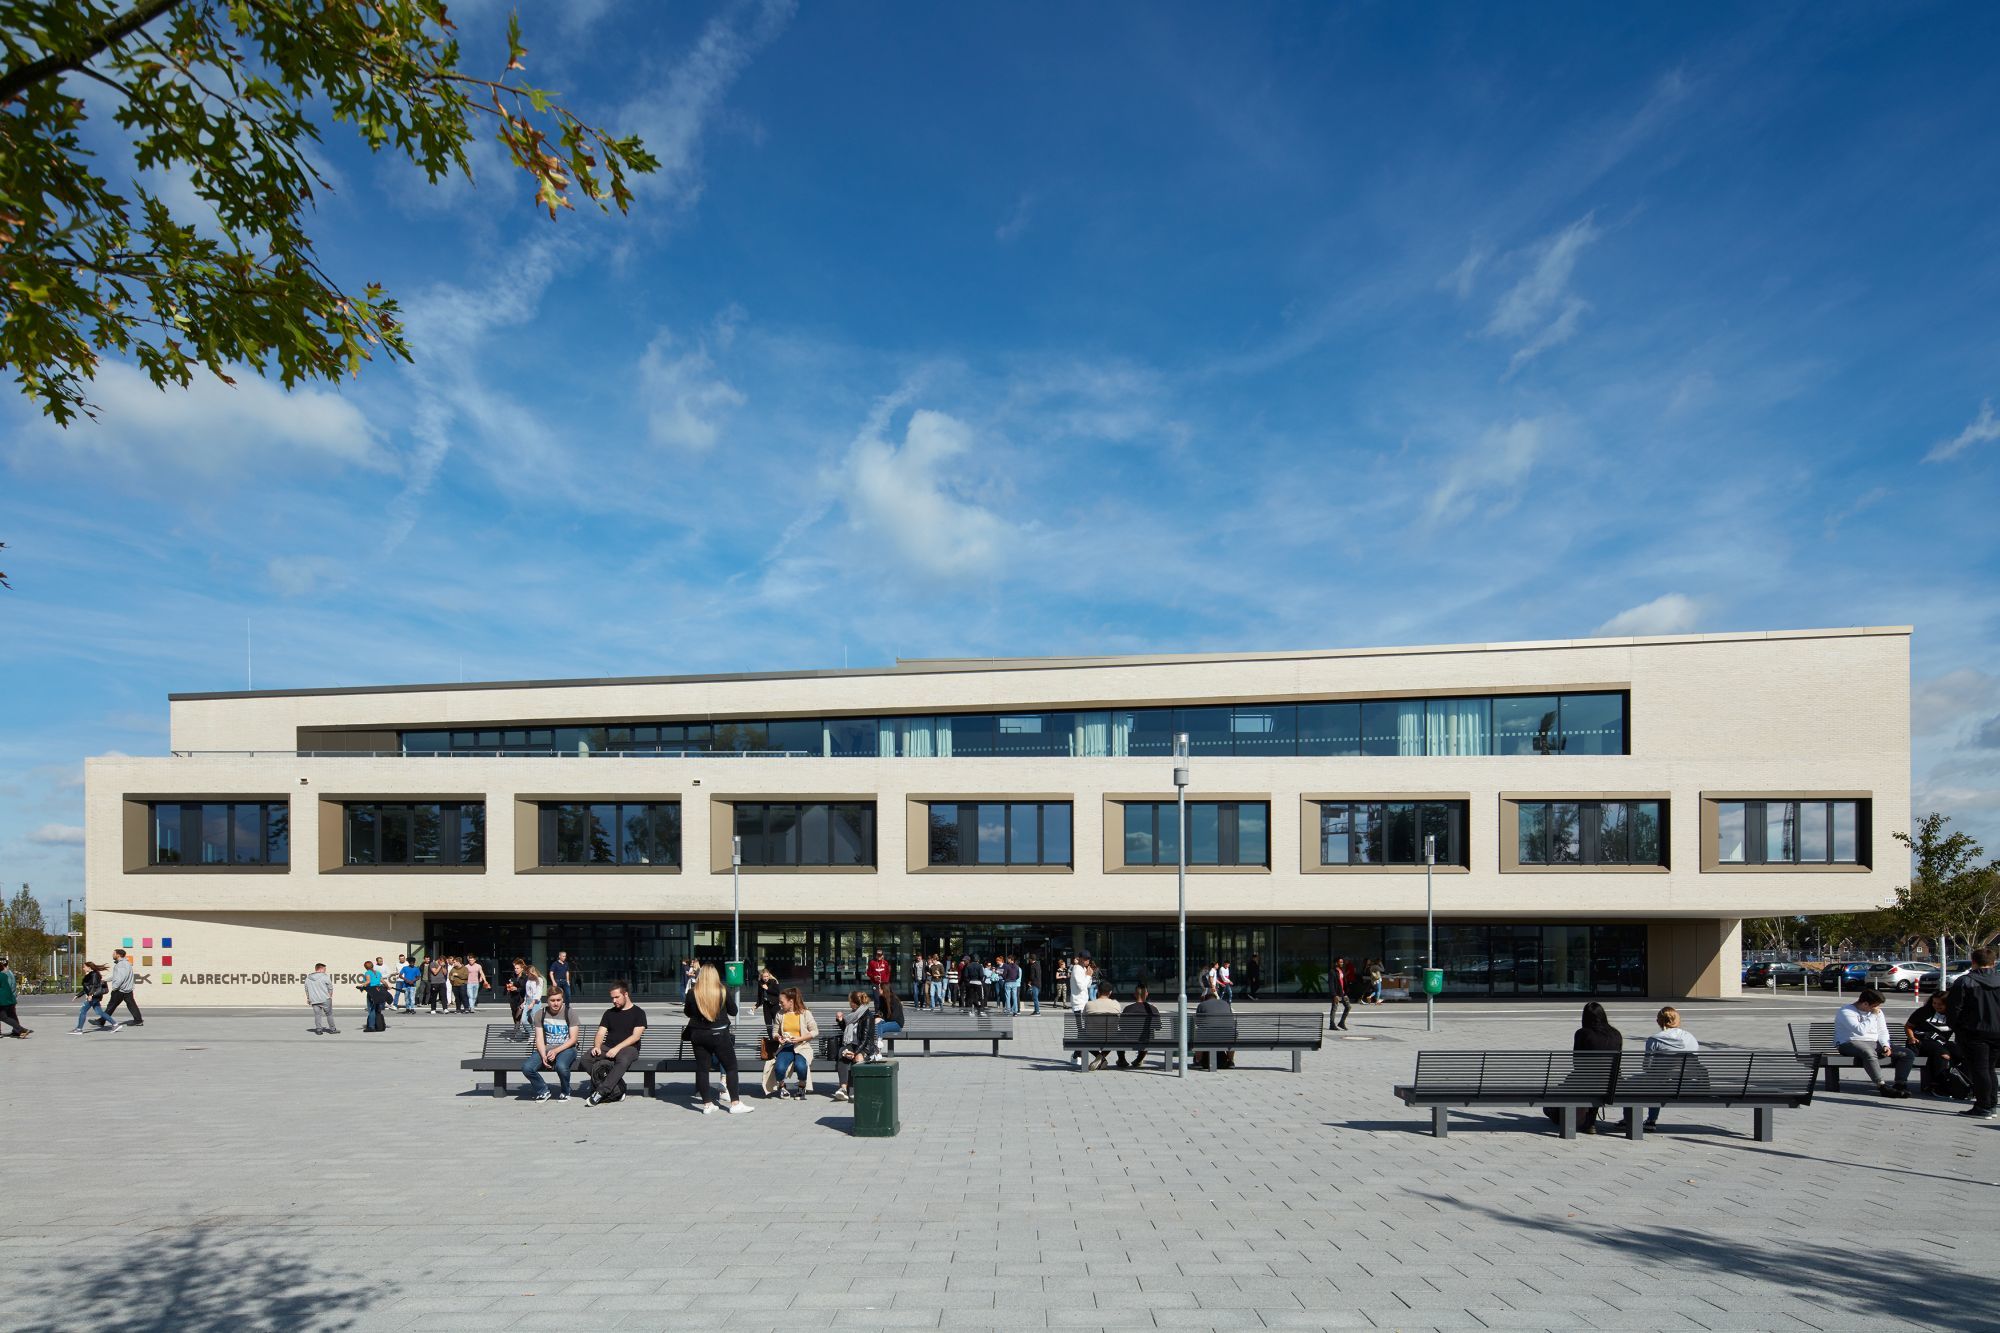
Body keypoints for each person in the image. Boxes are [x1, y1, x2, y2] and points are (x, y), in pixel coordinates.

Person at [684, 964, 754, 1115]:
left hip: (698, 1035)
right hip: (719, 1035)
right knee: (731, 1067)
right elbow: (733, 1011)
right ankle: (735, 1103)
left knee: (702, 1069)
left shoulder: (692, 992)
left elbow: (688, 1013)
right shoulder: (722, 990)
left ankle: (707, 1105)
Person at [1546, 1001, 1620, 1133]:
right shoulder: (1616, 1034)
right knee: (1597, 1080)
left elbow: (1577, 1062)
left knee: (1572, 1082)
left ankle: (1558, 1113)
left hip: (1588, 1081)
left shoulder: (1583, 1033)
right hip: (1613, 1082)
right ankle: (1590, 1121)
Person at [1945, 946, 2000, 1120]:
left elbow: (1954, 1009)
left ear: (1973, 961)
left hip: (1974, 1031)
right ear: (1993, 962)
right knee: (1990, 1068)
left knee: (1979, 1069)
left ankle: (1983, 1106)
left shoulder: (1964, 982)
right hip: (1997, 1031)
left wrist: (1957, 1028)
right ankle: (1991, 1105)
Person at [581, 982, 648, 1106]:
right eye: (612, 998)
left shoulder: (639, 1013)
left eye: (617, 997)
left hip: (630, 1048)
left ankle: (601, 1092)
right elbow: (600, 1033)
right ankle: (618, 1088)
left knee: (622, 1060)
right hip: (608, 1047)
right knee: (586, 1059)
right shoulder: (609, 1013)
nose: (614, 1001)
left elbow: (635, 1036)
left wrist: (617, 1048)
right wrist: (597, 1046)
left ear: (626, 994)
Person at [1834, 989, 1908, 1097]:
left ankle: (1900, 1085)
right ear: (1865, 1003)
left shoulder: (1877, 1011)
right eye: (1875, 1006)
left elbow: (1882, 1030)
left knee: (1907, 1054)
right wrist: (1873, 1015)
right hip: (1849, 1042)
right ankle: (1881, 1086)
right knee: (1868, 1052)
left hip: (1873, 1043)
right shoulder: (1846, 1011)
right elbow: (1860, 1030)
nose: (1877, 1008)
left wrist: (1885, 1045)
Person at [1638, 1006, 1699, 1128]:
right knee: (1656, 1080)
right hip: (1688, 1084)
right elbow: (1695, 1062)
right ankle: (1650, 1120)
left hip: (1661, 1085)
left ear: (1659, 1021)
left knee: (1634, 1083)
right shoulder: (1690, 1037)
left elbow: (1646, 1067)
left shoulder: (1654, 1040)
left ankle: (1638, 1120)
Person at [1897, 990, 1960, 1098]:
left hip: (1940, 1043)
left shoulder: (1954, 1015)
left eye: (1940, 1004)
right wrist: (1911, 1037)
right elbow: (1908, 1026)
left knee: (1961, 1053)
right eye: (1934, 1003)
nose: (1936, 1006)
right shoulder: (1924, 1011)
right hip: (1919, 1041)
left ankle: (1963, 1085)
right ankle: (1936, 1085)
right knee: (1942, 1054)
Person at [522, 989, 579, 1101]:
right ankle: (543, 1090)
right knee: (527, 1068)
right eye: (552, 1000)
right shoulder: (540, 1014)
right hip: (546, 1049)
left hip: (567, 1049)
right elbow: (539, 1038)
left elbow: (573, 1039)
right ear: (547, 1000)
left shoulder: (570, 1013)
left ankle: (565, 1091)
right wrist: (543, 1055)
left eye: (558, 1000)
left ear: (562, 999)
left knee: (561, 1067)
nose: (556, 1003)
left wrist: (556, 1051)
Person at [768, 987, 819, 1098]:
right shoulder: (780, 1014)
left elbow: (815, 1031)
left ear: (791, 1001)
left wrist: (800, 1038)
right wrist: (778, 1038)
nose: (780, 1004)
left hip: (802, 1046)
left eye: (782, 1002)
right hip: (786, 1046)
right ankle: (782, 1087)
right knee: (779, 1068)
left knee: (801, 1066)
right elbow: (774, 1032)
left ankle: (801, 1086)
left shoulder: (805, 1013)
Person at [829, 990, 878, 1104]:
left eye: (850, 1001)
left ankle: (857, 1090)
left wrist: (855, 1053)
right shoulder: (853, 1014)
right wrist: (840, 1021)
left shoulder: (867, 1016)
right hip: (852, 1044)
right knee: (842, 1053)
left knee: (857, 1058)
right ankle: (843, 1089)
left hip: (865, 1047)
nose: (849, 1003)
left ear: (855, 1003)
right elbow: (846, 1030)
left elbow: (865, 1039)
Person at [1192, 985, 1236, 1071]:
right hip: (1227, 1035)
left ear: (1205, 997)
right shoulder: (1225, 1003)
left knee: (1198, 1034)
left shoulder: (1202, 1005)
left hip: (1209, 1035)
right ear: (1215, 997)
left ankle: (1198, 1061)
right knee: (1231, 1034)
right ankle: (1231, 1061)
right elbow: (1230, 1019)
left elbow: (1198, 1023)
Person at [1118, 983, 1162, 1070]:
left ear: (1135, 994)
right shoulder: (1152, 1009)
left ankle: (1122, 1059)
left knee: (1119, 1035)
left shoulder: (1128, 1008)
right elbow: (1158, 1027)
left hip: (1128, 1039)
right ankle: (1138, 1060)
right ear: (1147, 994)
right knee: (1148, 1035)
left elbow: (1121, 1026)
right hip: (1147, 1039)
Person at [1081, 983, 1122, 1070]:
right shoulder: (1116, 1004)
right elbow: (1118, 1019)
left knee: (1082, 1036)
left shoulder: (1089, 1004)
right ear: (1110, 992)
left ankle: (1099, 1056)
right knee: (1116, 1036)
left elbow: (1084, 1018)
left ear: (1098, 991)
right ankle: (1101, 1057)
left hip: (1092, 1036)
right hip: (1111, 1037)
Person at [73, 961, 119, 1033]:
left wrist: (90, 995)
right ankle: (115, 1024)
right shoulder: (91, 975)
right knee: (99, 1012)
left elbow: (94, 985)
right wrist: (78, 995)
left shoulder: (94, 974)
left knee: (83, 1011)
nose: (83, 968)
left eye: (84, 967)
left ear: (89, 967)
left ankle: (79, 1029)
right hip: (95, 996)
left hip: (93, 997)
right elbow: (87, 988)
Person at [104, 948, 145, 1026]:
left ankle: (101, 1020)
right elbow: (117, 976)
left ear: (118, 955)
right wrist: (106, 980)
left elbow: (120, 978)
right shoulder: (126, 963)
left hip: (120, 989)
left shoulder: (121, 965)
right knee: (131, 1005)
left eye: (114, 954)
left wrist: (115, 987)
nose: (112, 955)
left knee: (111, 1005)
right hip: (127, 989)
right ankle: (138, 1020)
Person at [304, 963, 339, 1035]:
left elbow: (306, 989)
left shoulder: (308, 978)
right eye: (324, 969)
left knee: (317, 1015)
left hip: (314, 1000)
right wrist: (330, 996)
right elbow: (330, 987)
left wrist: (308, 998)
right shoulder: (325, 977)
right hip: (325, 999)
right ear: (320, 969)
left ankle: (319, 1030)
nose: (325, 971)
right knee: (329, 1014)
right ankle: (332, 1029)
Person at [0, 957, 28, 1038]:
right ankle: (18, 1031)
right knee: (11, 1016)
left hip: (4, 1000)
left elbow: (7, 987)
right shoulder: (6, 974)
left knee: (4, 1017)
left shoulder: (5, 974)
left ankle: (21, 1030)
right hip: (10, 999)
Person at [361, 958, 390, 1032]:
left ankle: (371, 1027)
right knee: (377, 1009)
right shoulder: (378, 973)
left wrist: (362, 985)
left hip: (372, 992)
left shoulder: (367, 973)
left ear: (365, 967)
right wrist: (387, 987)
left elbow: (368, 981)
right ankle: (379, 1025)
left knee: (371, 1009)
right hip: (379, 991)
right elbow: (384, 982)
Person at [517, 965, 545, 1039]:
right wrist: (524, 1002)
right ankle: (532, 1034)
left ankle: (536, 1036)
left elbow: (539, 992)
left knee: (534, 1020)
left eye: (528, 973)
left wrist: (533, 1003)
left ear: (532, 972)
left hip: (535, 1002)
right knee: (523, 1020)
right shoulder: (528, 979)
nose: (526, 974)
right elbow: (527, 992)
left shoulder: (539, 980)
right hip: (528, 1001)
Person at [1329, 957, 1352, 1031]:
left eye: (1342, 962)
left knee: (1348, 1007)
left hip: (1343, 993)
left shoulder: (1341, 970)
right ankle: (1332, 1024)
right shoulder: (1332, 971)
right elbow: (1331, 984)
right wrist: (1334, 995)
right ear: (1336, 963)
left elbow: (1343, 981)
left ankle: (1341, 1022)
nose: (1342, 963)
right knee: (1334, 1008)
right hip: (1337, 993)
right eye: (1341, 962)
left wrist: (1346, 991)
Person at [756, 965, 781, 1031]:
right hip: (766, 1006)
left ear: (769, 976)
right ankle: (770, 1037)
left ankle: (778, 1036)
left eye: (767, 976)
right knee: (768, 1025)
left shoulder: (773, 981)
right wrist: (756, 1006)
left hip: (774, 1005)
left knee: (777, 1024)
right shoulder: (760, 983)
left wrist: (767, 989)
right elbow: (759, 995)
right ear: (761, 976)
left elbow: (777, 993)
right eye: (764, 977)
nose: (766, 978)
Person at [505, 958, 527, 1028]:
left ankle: (519, 1029)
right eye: (515, 968)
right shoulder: (513, 975)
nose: (516, 970)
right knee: (514, 1013)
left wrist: (517, 989)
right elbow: (510, 982)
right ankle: (517, 1028)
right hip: (513, 997)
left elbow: (525, 988)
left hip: (521, 998)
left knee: (520, 1015)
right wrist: (509, 986)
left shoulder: (525, 977)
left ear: (522, 969)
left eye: (517, 968)